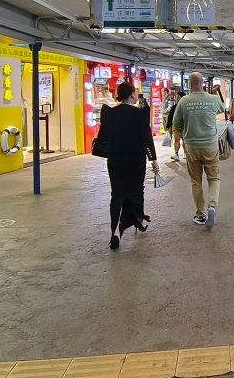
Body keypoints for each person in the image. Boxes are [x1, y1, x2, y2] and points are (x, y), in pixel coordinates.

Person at [96, 81, 159, 251]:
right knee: (136, 190)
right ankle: (138, 219)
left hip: (115, 159)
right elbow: (147, 138)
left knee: (117, 194)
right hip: (136, 160)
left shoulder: (109, 113)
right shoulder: (140, 114)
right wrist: (153, 159)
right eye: (135, 93)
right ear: (132, 95)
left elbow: (102, 138)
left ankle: (116, 232)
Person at [174, 73, 225, 229]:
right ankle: (212, 206)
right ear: (203, 83)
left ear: (190, 84)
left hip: (192, 147)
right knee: (214, 178)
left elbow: (177, 123)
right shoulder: (213, 99)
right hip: (210, 146)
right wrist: (214, 93)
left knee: (196, 181)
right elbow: (222, 108)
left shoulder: (184, 101)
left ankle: (200, 214)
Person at [167, 91, 187, 161]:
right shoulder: (174, 107)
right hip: (176, 126)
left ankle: (185, 153)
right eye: (177, 97)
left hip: (185, 126)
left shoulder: (186, 107)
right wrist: (168, 126)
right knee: (176, 140)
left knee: (185, 140)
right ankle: (176, 154)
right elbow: (170, 116)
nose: (177, 99)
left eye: (178, 97)